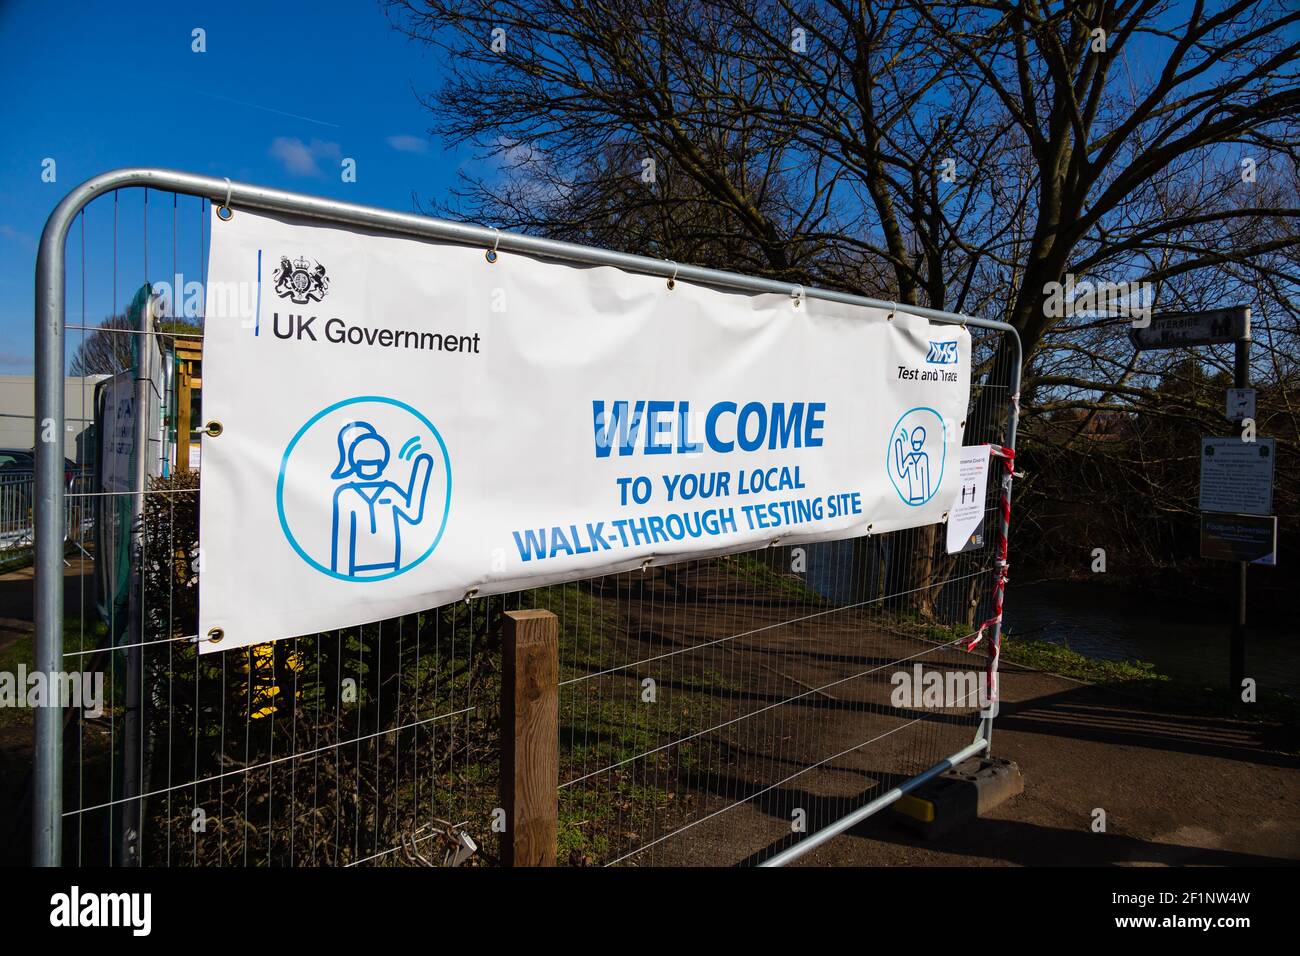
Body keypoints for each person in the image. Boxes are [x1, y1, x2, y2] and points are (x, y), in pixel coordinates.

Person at [329, 421, 433, 577]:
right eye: (365, 464)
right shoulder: (346, 493)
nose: (371, 468)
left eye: (375, 464)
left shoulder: (388, 490)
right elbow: (340, 539)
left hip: (390, 564)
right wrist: (340, 574)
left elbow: (412, 513)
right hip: (355, 566)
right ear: (354, 463)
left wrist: (421, 470)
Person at [893, 424, 931, 504]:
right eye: (914, 442)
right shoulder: (909, 458)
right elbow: (901, 471)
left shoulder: (923, 458)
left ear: (922, 443)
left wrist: (928, 500)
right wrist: (898, 447)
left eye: (918, 442)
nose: (916, 444)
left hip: (923, 499)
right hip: (912, 498)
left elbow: (925, 479)